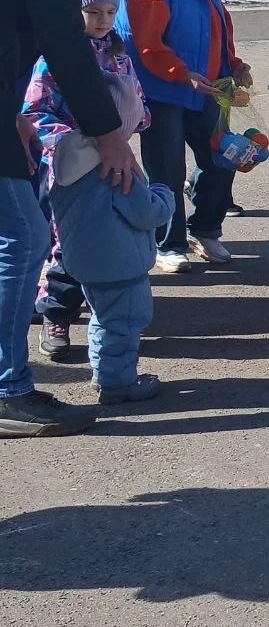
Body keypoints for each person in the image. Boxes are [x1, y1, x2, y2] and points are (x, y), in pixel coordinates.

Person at [0, 0, 134, 437]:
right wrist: (108, 133)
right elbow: (60, 35)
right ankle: (8, 389)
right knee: (25, 236)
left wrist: (13, 111)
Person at [23, 0, 152, 364]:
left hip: (116, 162)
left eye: (110, 12)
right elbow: (35, 111)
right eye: (93, 11)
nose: (102, 20)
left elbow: (134, 95)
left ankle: (109, 315)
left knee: (113, 238)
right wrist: (68, 142)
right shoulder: (56, 58)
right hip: (72, 168)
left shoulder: (118, 53)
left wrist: (139, 115)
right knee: (69, 242)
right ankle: (56, 313)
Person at [117, 0, 252, 272]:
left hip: (207, 85)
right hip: (163, 88)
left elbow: (215, 27)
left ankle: (204, 228)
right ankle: (168, 243)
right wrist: (181, 74)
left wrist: (233, 65)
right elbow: (146, 41)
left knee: (225, 157)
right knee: (167, 170)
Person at [48, 73, 174, 404]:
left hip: (85, 261)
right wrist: (164, 193)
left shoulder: (67, 156)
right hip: (121, 261)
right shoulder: (115, 167)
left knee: (103, 318)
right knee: (125, 322)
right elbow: (147, 212)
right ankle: (117, 383)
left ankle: (103, 372)